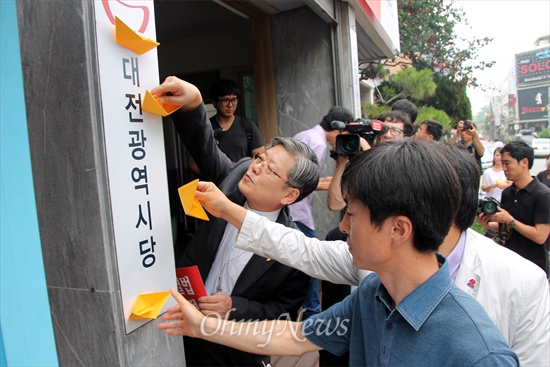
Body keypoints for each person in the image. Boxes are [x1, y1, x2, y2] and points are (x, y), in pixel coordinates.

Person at [159, 139, 518, 366]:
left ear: (398, 229)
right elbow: (294, 337)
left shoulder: (478, 352)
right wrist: (202, 326)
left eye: (353, 215)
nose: (342, 227)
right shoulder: (371, 298)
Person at [151, 76, 320, 366]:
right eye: (261, 158)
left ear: (290, 195)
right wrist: (193, 102)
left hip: (235, 349)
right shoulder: (235, 177)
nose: (256, 167)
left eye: (270, 169)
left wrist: (235, 307)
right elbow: (205, 148)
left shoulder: (296, 250)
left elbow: (281, 311)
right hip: (182, 327)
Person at [289, 106, 354, 319]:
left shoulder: (305, 134)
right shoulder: (317, 142)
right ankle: (313, 310)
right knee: (312, 261)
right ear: (339, 130)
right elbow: (303, 179)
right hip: (297, 211)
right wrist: (329, 183)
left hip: (294, 208)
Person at [477, 141, 550, 277]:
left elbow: (540, 236)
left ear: (524, 162)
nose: (503, 167)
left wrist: (510, 220)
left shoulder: (542, 195)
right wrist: (487, 223)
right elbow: (508, 230)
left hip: (534, 268)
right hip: (510, 264)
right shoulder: (507, 193)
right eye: (502, 163)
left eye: (507, 163)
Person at [208, 79, 264, 162]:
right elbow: (193, 162)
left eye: (234, 100)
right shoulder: (207, 127)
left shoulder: (247, 126)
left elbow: (260, 158)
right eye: (225, 100)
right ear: (214, 102)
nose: (230, 105)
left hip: (243, 174)